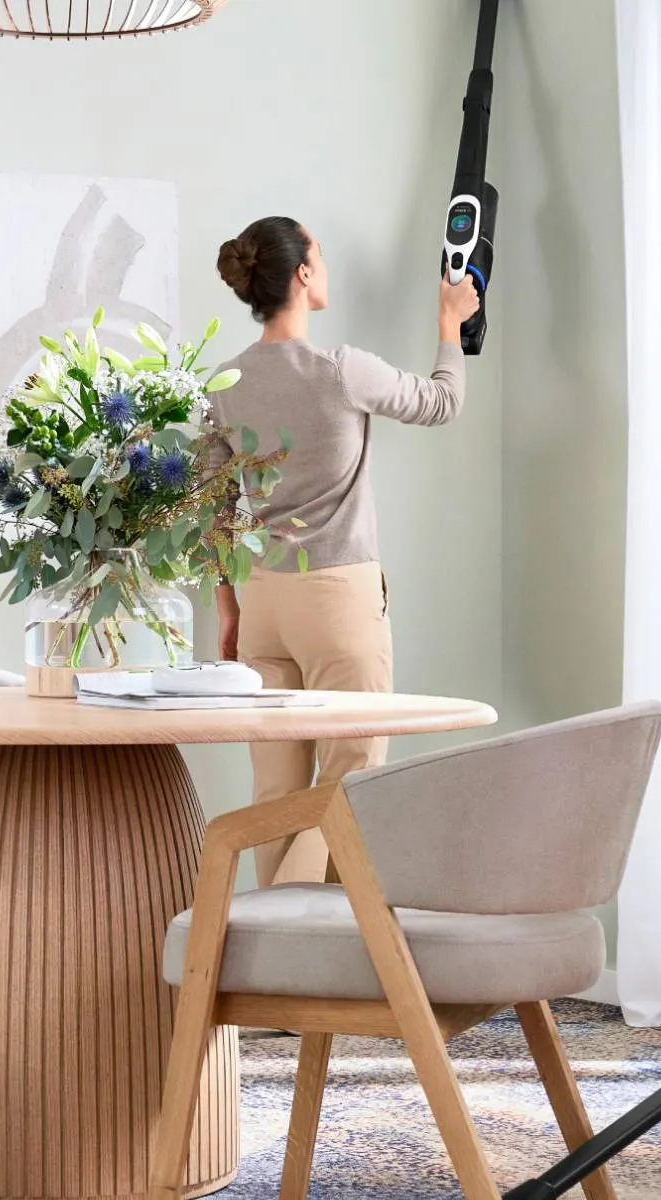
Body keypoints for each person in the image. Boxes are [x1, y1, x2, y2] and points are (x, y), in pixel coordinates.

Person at [208, 215, 480, 887]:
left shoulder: (224, 383)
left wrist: (228, 609)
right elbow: (441, 402)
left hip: (263, 601)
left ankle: (272, 969)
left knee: (275, 795)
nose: (324, 266)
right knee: (351, 780)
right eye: (319, 255)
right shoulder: (342, 370)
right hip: (338, 601)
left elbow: (209, 508)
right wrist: (451, 324)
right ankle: (316, 942)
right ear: (302, 273)